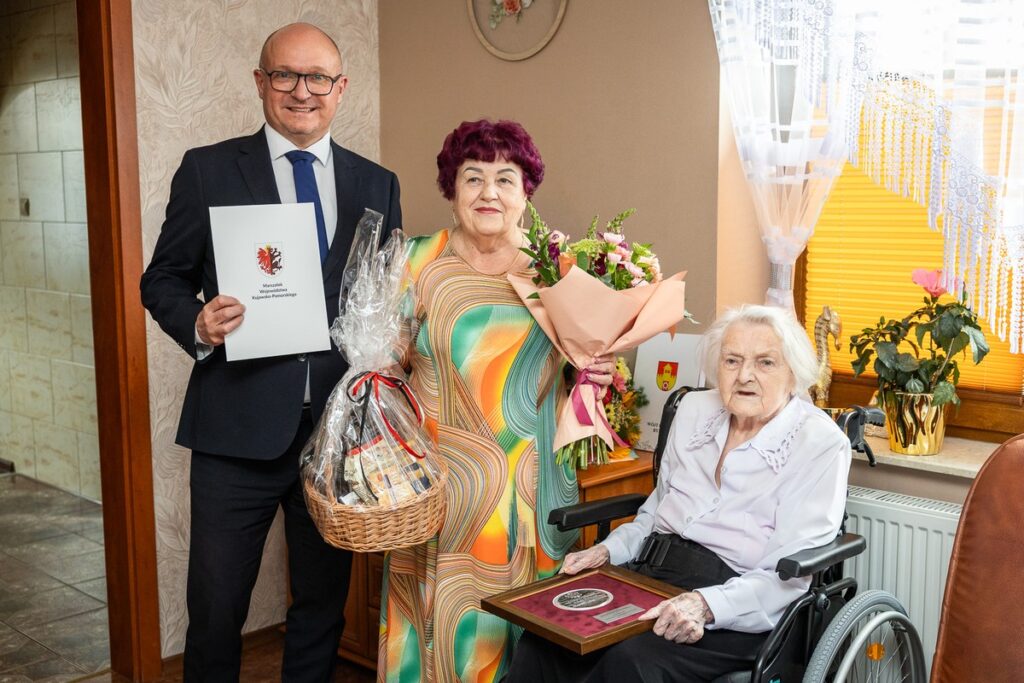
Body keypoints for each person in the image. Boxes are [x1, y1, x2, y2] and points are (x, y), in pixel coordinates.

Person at [139, 23, 401, 683]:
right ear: (260, 82)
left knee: (321, 605)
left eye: (318, 78)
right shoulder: (208, 169)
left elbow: (385, 293)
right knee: (216, 609)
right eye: (285, 74)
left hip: (335, 439)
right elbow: (161, 279)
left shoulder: (377, 183)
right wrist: (198, 323)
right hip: (235, 432)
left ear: (341, 88)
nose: (301, 91)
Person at [377, 119, 614, 682]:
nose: (489, 193)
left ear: (525, 192)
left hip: (532, 485)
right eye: (473, 177)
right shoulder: (414, 261)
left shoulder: (557, 267)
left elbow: (582, 364)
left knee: (529, 637)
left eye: (506, 178)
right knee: (443, 625)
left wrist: (598, 372)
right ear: (451, 188)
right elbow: (386, 368)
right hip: (439, 485)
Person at [506, 304, 852, 682]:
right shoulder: (694, 410)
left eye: (765, 362)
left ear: (793, 373)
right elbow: (655, 513)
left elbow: (786, 578)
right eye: (732, 360)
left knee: (630, 662)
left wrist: (705, 604)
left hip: (738, 601)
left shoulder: (818, 443)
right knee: (546, 642)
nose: (744, 376)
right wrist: (608, 551)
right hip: (649, 576)